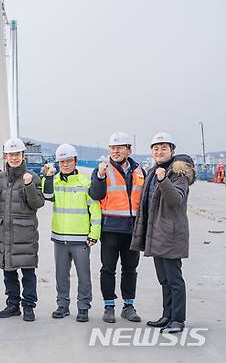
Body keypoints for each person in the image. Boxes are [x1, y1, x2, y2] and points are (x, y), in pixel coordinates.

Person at [131, 132, 195, 334]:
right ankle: (167, 315)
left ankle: (178, 319)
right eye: (156, 148)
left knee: (175, 280)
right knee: (164, 279)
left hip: (171, 234)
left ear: (172, 151)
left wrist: (163, 180)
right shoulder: (153, 171)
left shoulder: (178, 174)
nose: (159, 152)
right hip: (156, 233)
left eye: (164, 148)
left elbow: (175, 200)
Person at [90, 132, 145, 323]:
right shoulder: (103, 169)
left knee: (130, 269)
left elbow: (144, 200)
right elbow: (95, 195)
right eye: (112, 148)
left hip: (132, 229)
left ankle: (128, 306)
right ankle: (109, 306)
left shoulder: (139, 171)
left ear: (129, 150)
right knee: (108, 268)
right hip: (111, 229)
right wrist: (99, 175)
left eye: (119, 148)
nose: (115, 151)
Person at [43, 143, 101, 322]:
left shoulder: (85, 182)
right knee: (61, 275)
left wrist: (94, 234)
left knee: (84, 276)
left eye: (68, 161)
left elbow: (95, 210)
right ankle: (63, 305)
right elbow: (47, 196)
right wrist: (49, 177)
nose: (65, 164)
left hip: (81, 239)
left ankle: (83, 307)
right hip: (60, 238)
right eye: (62, 162)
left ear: (75, 161)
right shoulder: (54, 181)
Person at [0, 138, 45, 321]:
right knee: (9, 271)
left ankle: (28, 306)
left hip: (25, 233)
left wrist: (29, 186)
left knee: (28, 272)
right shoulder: (0, 179)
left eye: (17, 154)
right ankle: (13, 304)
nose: (13, 158)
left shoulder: (32, 177)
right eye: (10, 154)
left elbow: (37, 204)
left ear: (23, 156)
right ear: (6, 156)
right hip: (4, 233)